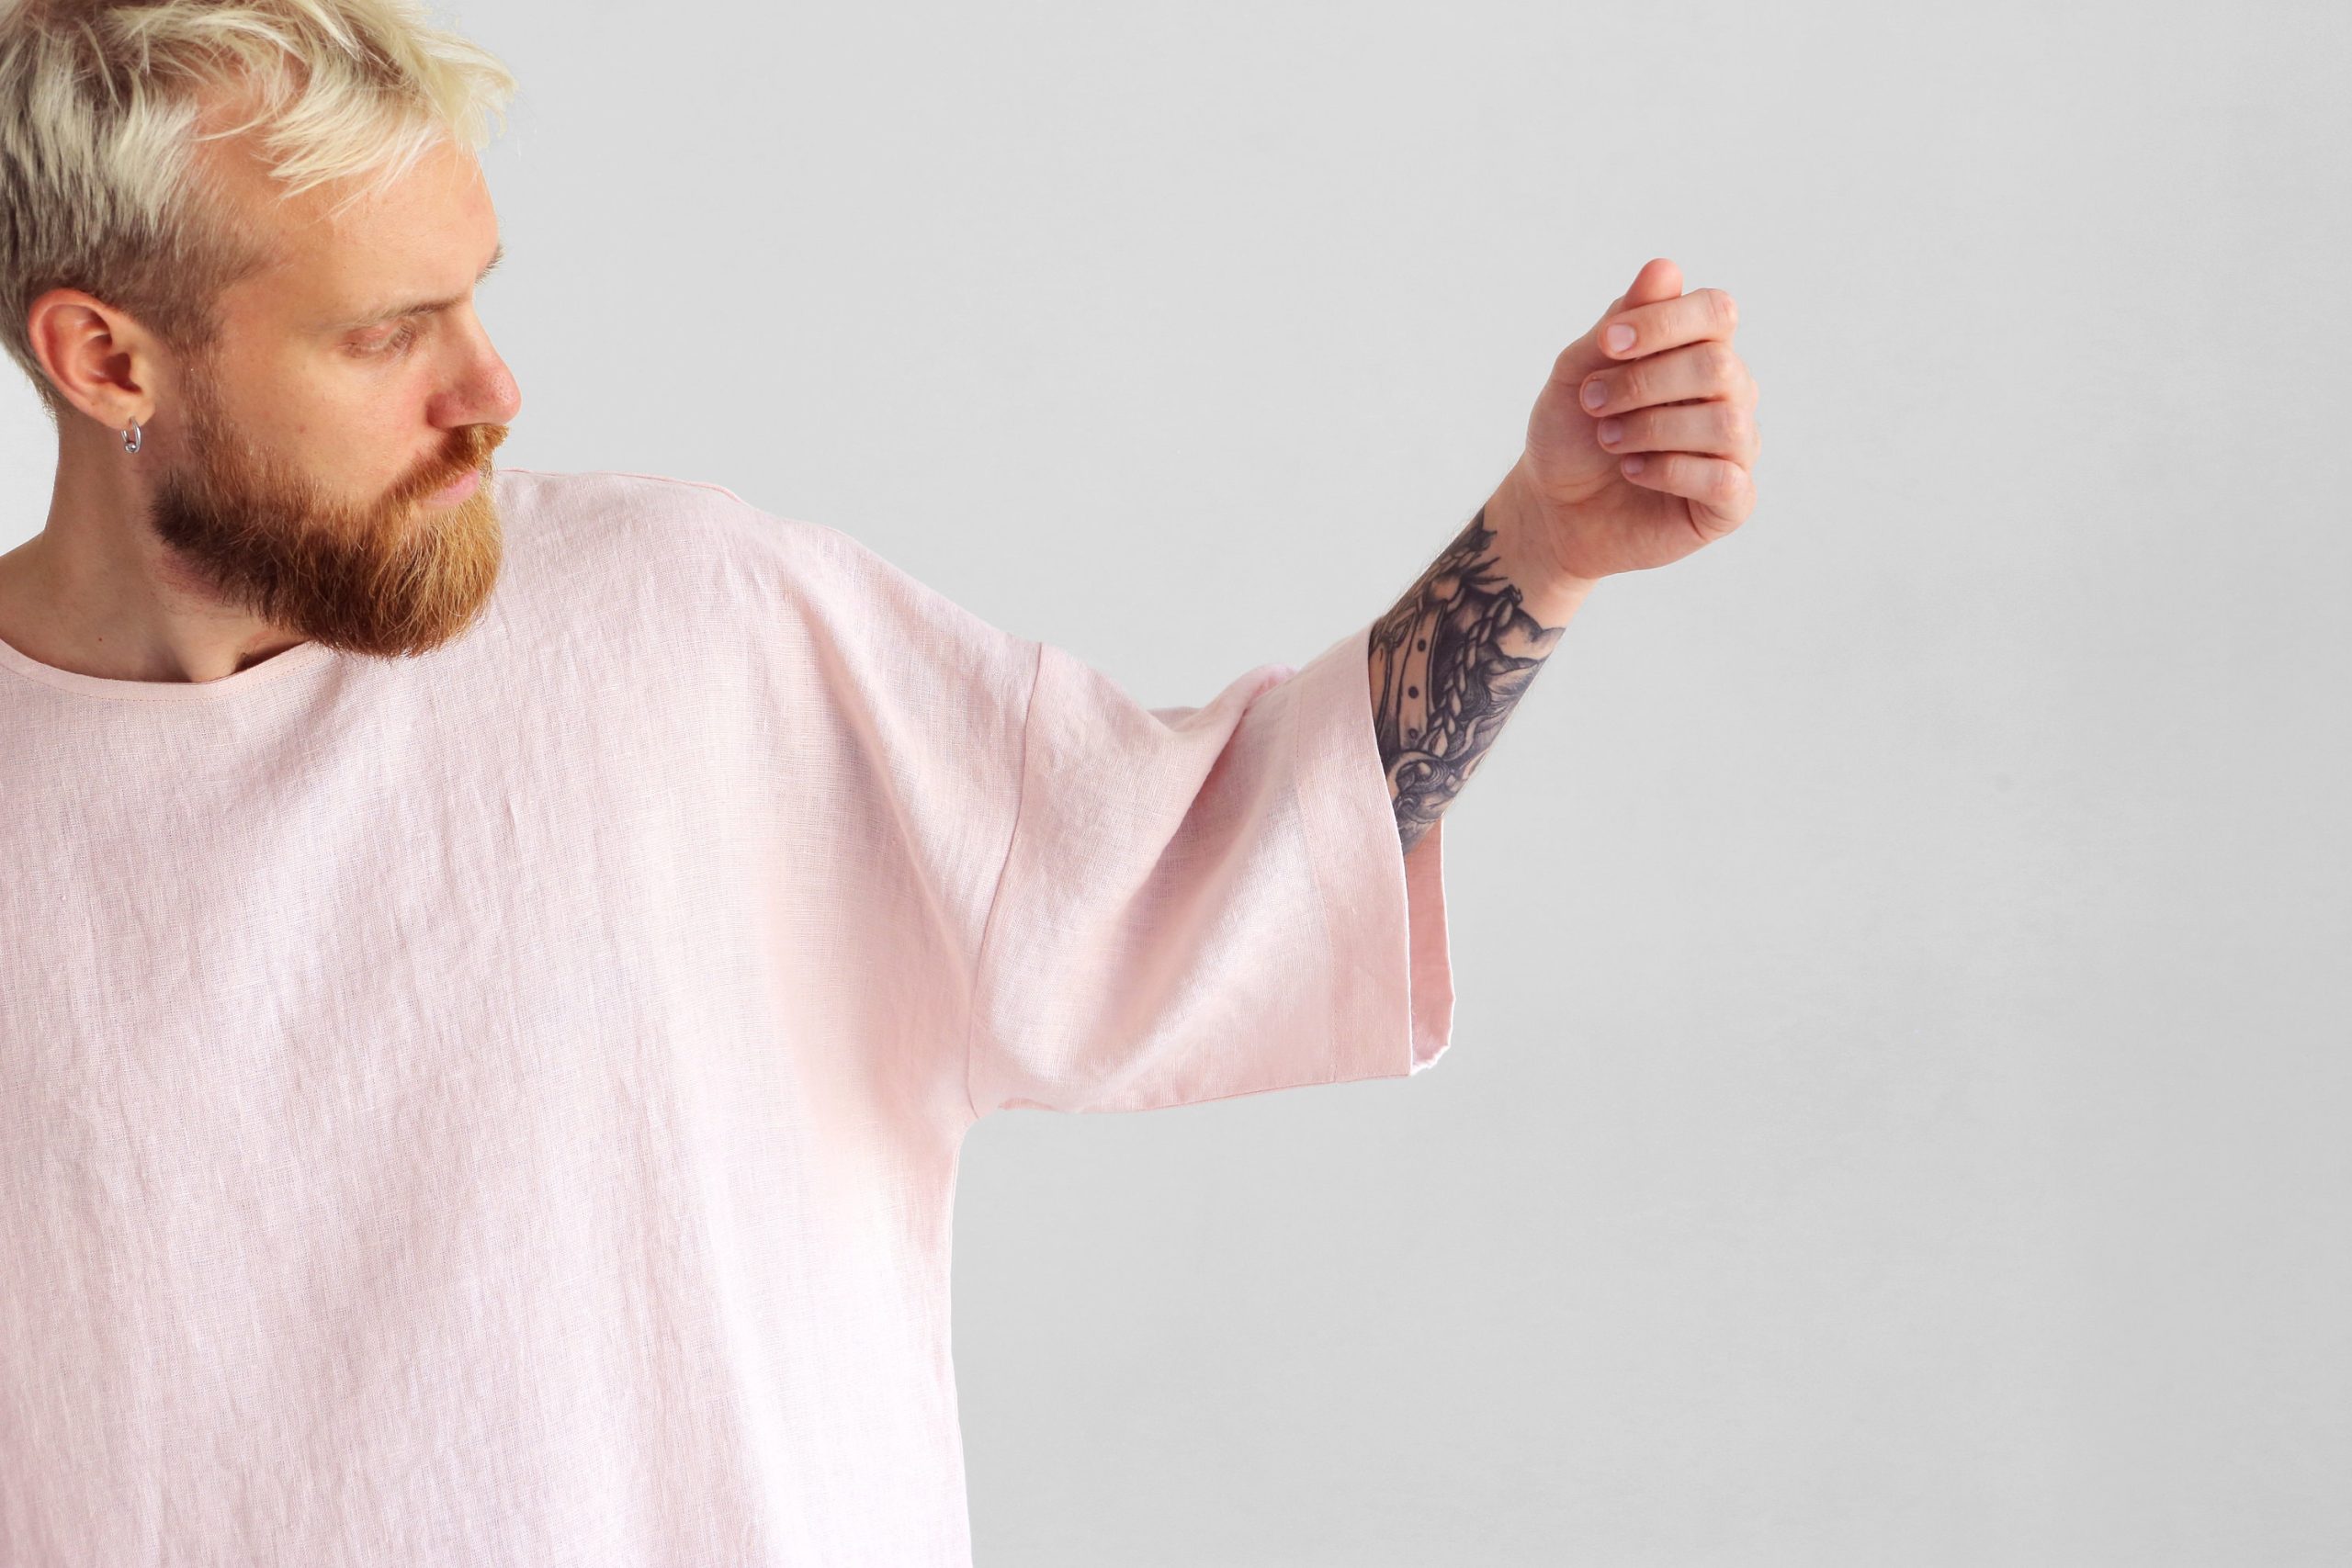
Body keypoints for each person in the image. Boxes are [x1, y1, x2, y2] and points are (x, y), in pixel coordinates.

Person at [0, 2, 1759, 1562]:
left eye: (478, 294)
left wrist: (1539, 551)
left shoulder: (681, 624)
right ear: (107, 360)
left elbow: (1193, 868)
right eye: (387, 335)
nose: (493, 388)